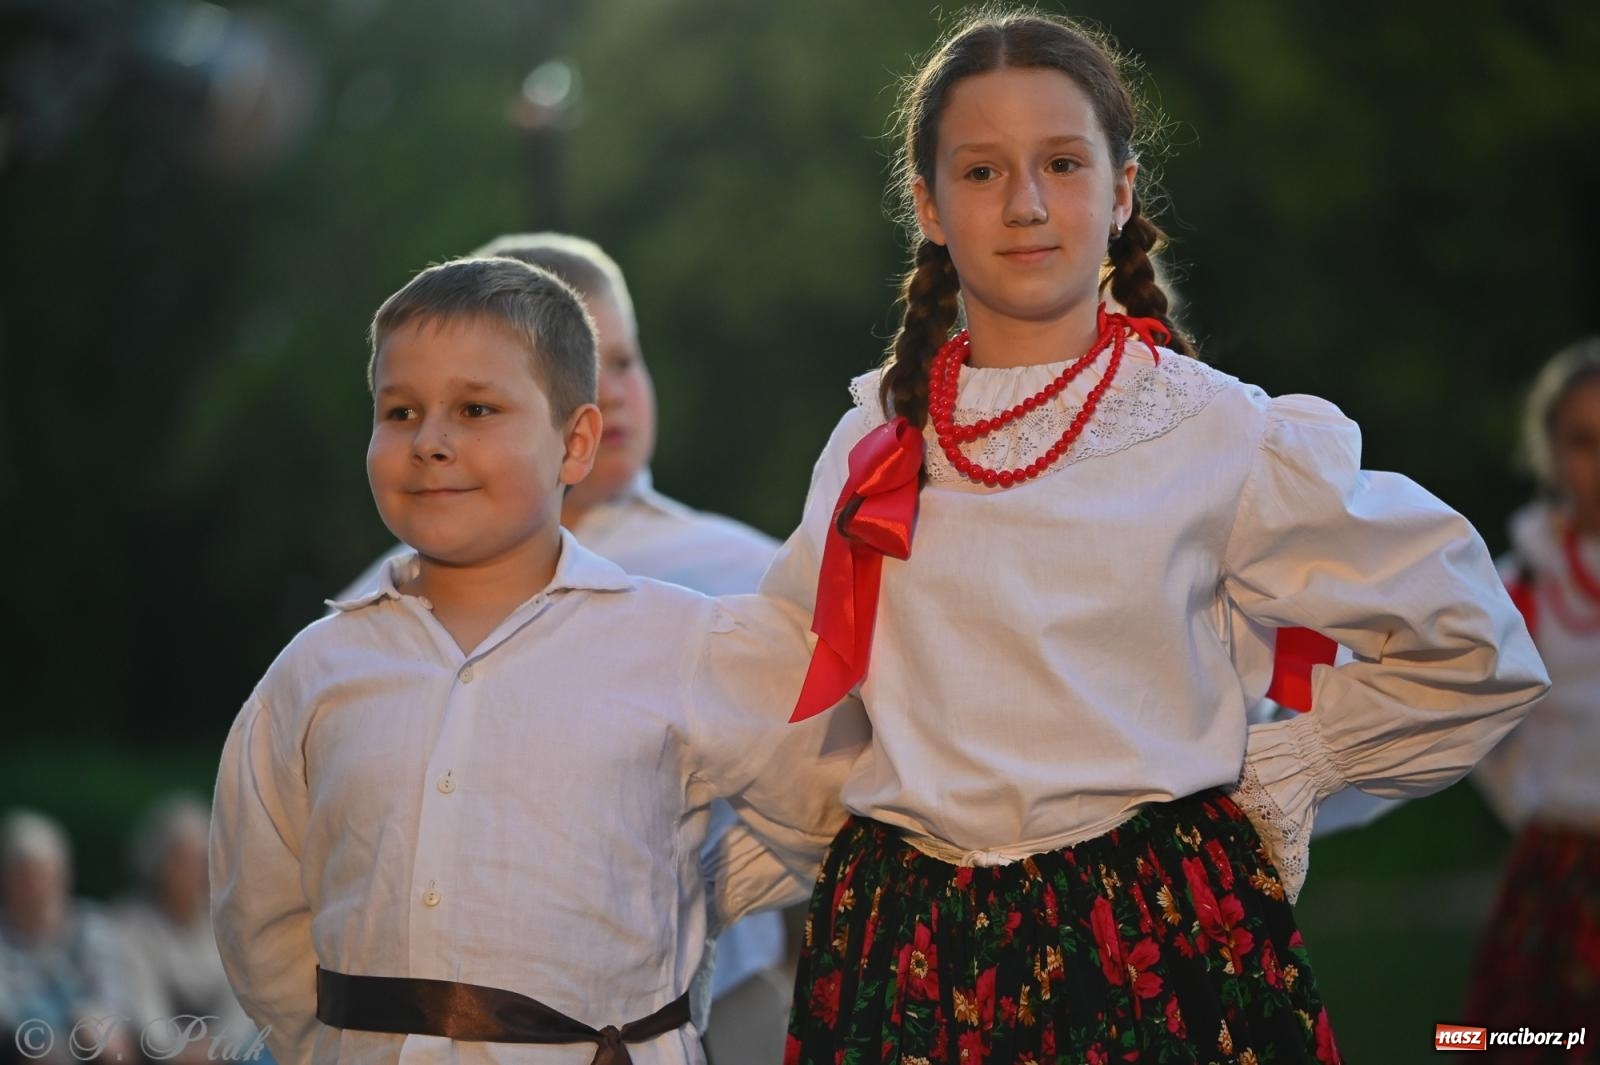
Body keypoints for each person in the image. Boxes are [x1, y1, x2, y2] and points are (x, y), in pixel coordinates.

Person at [757, 11, 1549, 1063]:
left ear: (1122, 191)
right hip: (908, 954)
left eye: (1062, 162)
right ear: (929, 207)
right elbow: (789, 683)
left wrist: (1296, 765)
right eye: (982, 172)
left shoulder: (1211, 430)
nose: (1027, 203)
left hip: (1147, 948)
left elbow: (1473, 643)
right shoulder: (874, 435)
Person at [211, 257, 865, 1065]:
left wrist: (702, 887)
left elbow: (839, 794)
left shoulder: (678, 639)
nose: (432, 442)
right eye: (401, 410)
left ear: (575, 440)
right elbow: (260, 918)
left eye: (476, 408)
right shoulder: (312, 672)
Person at [334, 235, 792, 1060]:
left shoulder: (750, 570)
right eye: (582, 368)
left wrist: (709, 888)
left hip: (720, 1002)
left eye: (623, 360)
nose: (609, 394)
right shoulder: (389, 598)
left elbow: (847, 770)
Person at [1466, 337, 1600, 1057]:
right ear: (1548, 452)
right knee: (1535, 1040)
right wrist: (1534, 800)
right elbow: (1482, 723)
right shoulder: (1521, 585)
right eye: (1583, 441)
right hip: (1559, 869)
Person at [114, 795, 264, 1065]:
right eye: (182, 860)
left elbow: (243, 1000)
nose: (194, 871)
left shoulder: (229, 924)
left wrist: (217, 1048)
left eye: (201, 859)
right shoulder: (133, 927)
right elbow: (143, 1004)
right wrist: (178, 1053)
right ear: (157, 862)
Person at [0, 811, 135, 1065]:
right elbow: (6, 1014)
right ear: (6, 880)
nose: (35, 887)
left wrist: (87, 1020)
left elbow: (113, 998)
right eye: (23, 875)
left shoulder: (92, 927)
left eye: (43, 874)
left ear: (63, 875)